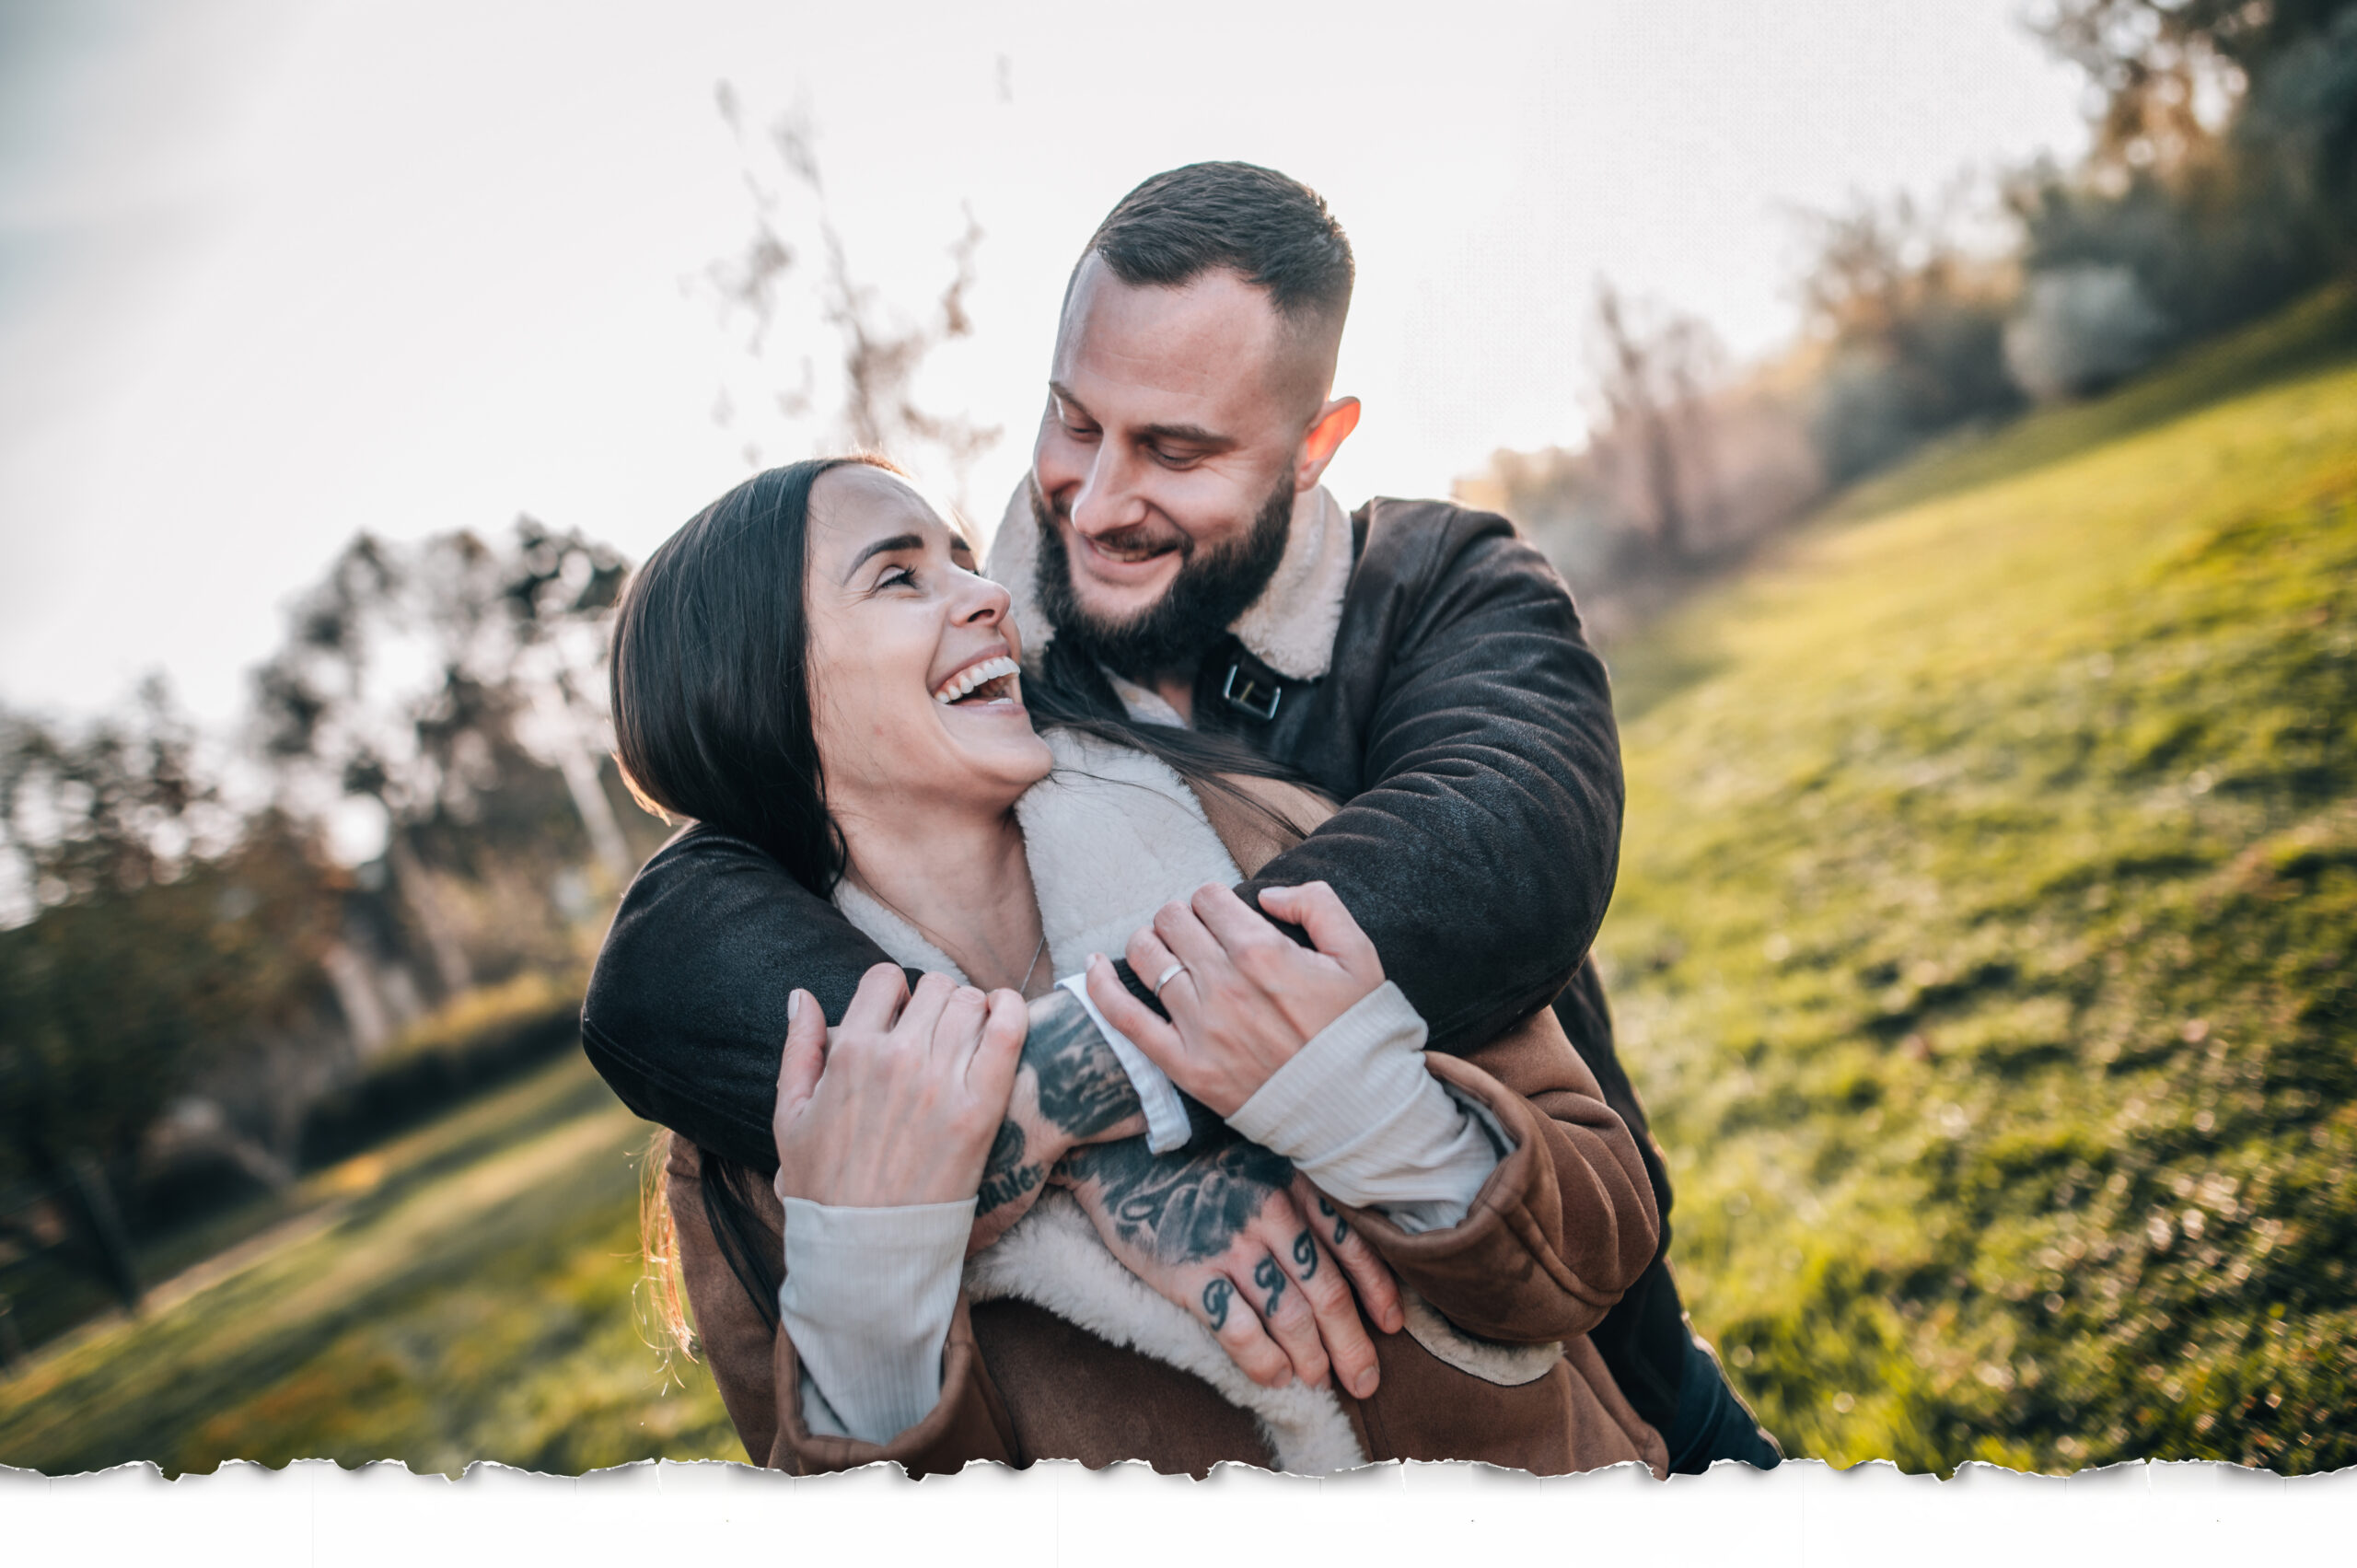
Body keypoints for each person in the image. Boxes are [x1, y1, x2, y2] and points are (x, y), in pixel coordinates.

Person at [585, 160, 1778, 1470]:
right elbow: (655, 957)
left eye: (1177, 449)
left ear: (1312, 446)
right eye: (1073, 421)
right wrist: (923, 1207)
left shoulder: (1434, 592)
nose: (1094, 504)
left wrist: (1070, 1085)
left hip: (1620, 1394)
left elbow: (1506, 843)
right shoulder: (983, 677)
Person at [619, 454, 1668, 1474]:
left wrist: (1364, 1109)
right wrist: (878, 1287)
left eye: (965, 559)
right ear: (753, 687)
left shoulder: (1251, 822)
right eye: (899, 576)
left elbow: (1603, 1240)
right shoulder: (761, 1150)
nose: (989, 596)